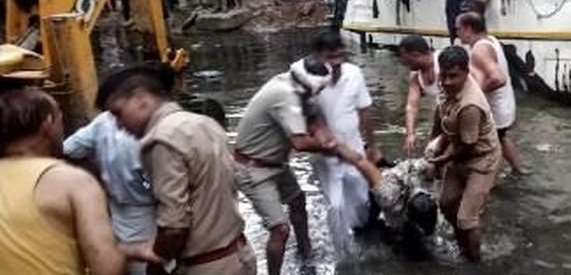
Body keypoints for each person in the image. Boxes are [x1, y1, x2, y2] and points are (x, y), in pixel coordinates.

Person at [101, 63, 256, 275]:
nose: (118, 125)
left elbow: (174, 227)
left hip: (205, 266)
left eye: (118, 113)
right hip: (240, 255)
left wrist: (153, 261)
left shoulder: (162, 140)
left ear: (141, 100)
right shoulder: (205, 123)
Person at [0, 87, 159, 275]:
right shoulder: (74, 182)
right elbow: (107, 268)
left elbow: (70, 148)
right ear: (48, 122)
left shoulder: (101, 124)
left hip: (121, 209)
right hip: (140, 211)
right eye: (60, 118)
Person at [233, 56, 338, 275]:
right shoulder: (285, 95)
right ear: (309, 85)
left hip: (275, 163)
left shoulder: (294, 84)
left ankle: (306, 253)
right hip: (253, 169)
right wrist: (333, 146)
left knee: (298, 201)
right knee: (280, 229)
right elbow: (300, 143)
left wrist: (323, 133)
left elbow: (312, 115)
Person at [307, 31, 382, 253]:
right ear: (318, 57)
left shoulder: (354, 74)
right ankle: (344, 257)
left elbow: (365, 112)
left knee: (360, 202)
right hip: (325, 156)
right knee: (336, 206)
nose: (336, 64)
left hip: (355, 152)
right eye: (330, 58)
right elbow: (307, 119)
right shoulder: (309, 82)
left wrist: (372, 145)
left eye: (340, 57)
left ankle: (361, 235)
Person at [429, 46, 501, 262]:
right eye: (444, 75)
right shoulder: (445, 87)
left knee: (466, 218)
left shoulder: (470, 105)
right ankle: (463, 240)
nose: (447, 81)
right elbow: (440, 114)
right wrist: (433, 143)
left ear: (466, 72)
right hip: (457, 150)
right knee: (446, 203)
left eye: (454, 76)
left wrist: (443, 159)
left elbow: (468, 146)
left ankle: (475, 262)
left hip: (481, 159)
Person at [64, 109, 157, 275]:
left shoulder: (104, 121)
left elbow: (69, 149)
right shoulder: (152, 124)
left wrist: (99, 173)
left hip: (116, 212)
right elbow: (152, 183)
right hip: (146, 215)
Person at [455, 12, 525, 173]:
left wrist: (474, 95)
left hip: (495, 108)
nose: (457, 34)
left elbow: (499, 79)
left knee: (480, 145)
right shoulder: (491, 40)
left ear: (468, 28)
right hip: (505, 104)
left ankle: (484, 179)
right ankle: (519, 170)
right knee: (501, 139)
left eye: (458, 29)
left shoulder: (480, 50)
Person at [398, 35, 440, 156]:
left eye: (406, 58)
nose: (404, 62)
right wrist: (410, 133)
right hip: (443, 118)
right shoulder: (415, 76)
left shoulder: (442, 61)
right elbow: (412, 106)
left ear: (416, 54)